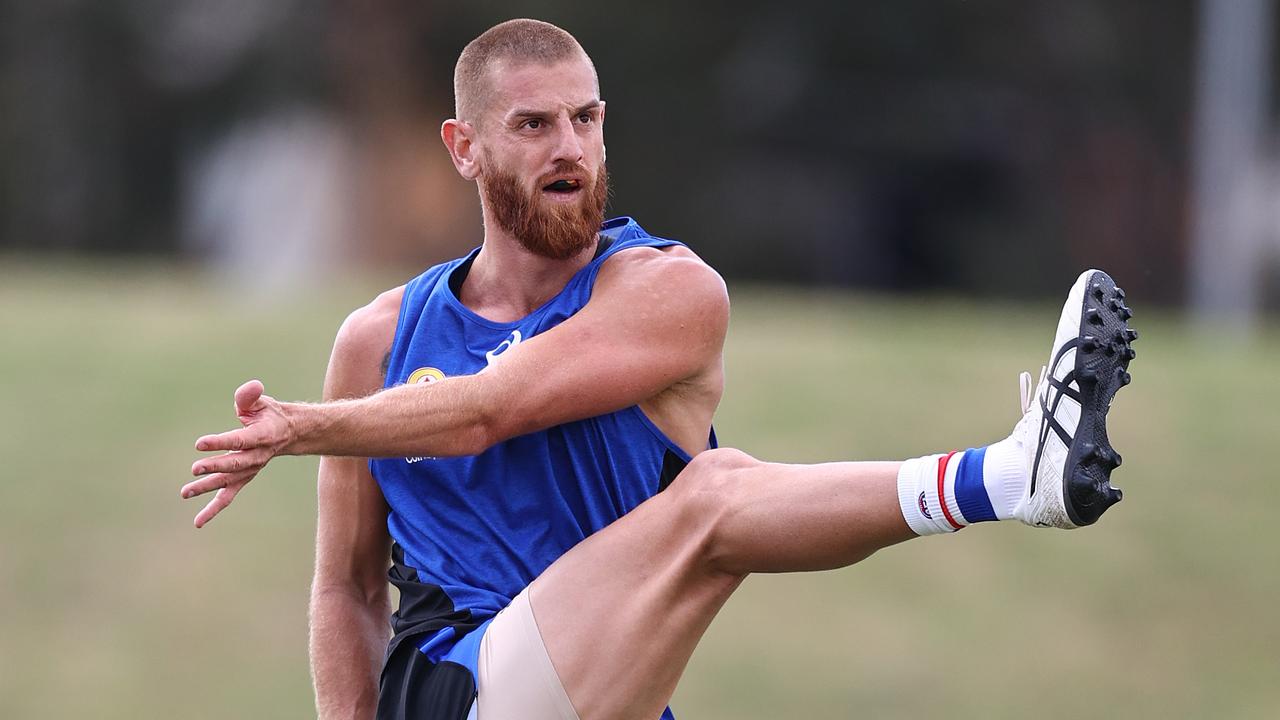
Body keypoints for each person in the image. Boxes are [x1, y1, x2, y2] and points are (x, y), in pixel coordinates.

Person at [182, 18, 1137, 720]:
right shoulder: (379, 339)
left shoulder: (670, 294)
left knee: (716, 503)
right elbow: (348, 589)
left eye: (586, 119)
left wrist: (306, 428)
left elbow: (490, 410)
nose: (570, 147)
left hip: (604, 695)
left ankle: (1014, 476)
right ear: (464, 149)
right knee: (718, 494)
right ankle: (1010, 476)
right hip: (456, 689)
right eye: (533, 126)